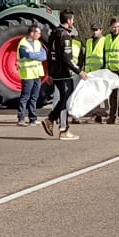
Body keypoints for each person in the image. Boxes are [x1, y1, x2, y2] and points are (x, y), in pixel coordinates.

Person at [39, 12, 82, 141]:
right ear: (69, 20)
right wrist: (79, 71)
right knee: (66, 100)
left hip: (55, 72)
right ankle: (63, 129)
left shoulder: (53, 33)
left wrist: (50, 72)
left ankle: (51, 120)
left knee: (64, 99)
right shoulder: (65, 35)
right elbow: (66, 58)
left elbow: (49, 55)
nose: (73, 22)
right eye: (72, 19)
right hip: (63, 73)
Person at [16, 23, 47, 126]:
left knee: (34, 97)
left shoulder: (38, 43)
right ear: (32, 33)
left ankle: (33, 119)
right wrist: (36, 55)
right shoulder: (23, 44)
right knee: (25, 96)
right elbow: (29, 55)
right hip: (28, 74)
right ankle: (21, 118)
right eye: (38, 32)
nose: (40, 34)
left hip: (37, 74)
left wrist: (35, 55)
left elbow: (44, 55)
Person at [84, 25, 111, 123]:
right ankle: (96, 115)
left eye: (96, 30)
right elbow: (86, 56)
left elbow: (106, 55)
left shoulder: (105, 41)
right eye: (93, 30)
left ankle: (108, 113)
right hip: (91, 72)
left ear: (101, 30)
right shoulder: (89, 41)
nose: (94, 32)